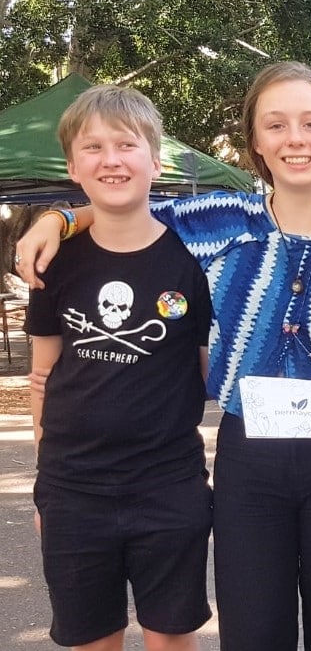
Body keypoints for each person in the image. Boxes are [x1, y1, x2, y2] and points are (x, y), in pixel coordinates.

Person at [17, 62, 311, 651]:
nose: (294, 139)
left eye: (310, 123)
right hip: (248, 462)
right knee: (253, 633)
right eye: (275, 125)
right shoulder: (221, 222)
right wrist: (58, 218)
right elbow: (124, 206)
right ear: (257, 142)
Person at [27, 84, 213, 650]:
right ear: (72, 165)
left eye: (127, 145)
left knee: (170, 637)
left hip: (169, 488)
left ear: (155, 161)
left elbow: (204, 372)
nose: (111, 159)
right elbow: (41, 380)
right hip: (72, 492)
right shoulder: (53, 261)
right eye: (93, 148)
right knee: (91, 638)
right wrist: (46, 488)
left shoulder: (194, 261)